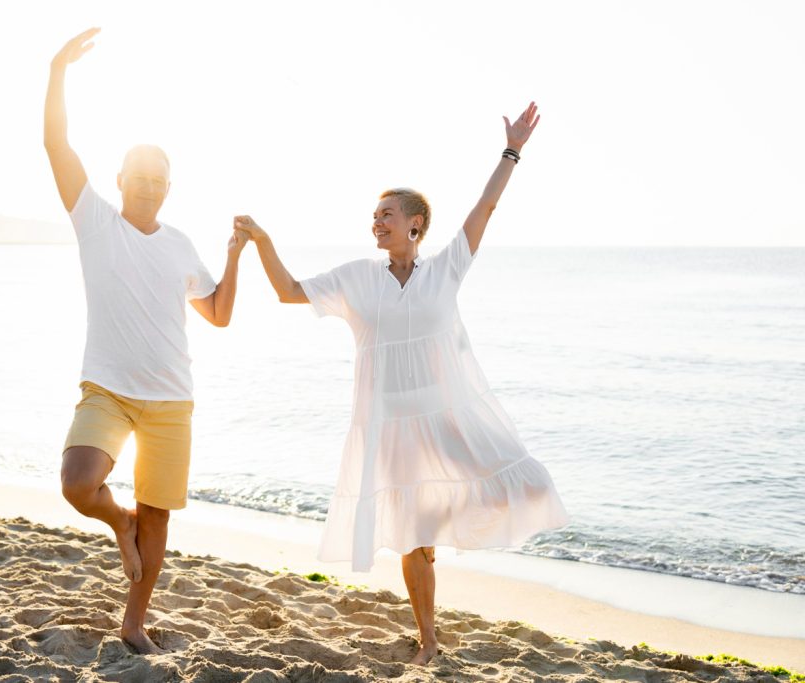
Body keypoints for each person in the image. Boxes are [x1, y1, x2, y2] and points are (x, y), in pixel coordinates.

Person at [234, 102, 568, 666]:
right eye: (375, 214)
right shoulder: (358, 279)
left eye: (387, 213)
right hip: (391, 428)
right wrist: (262, 241)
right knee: (417, 542)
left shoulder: (445, 270)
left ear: (415, 223)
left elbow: (485, 206)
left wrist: (512, 150)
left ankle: (457, 547)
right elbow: (289, 291)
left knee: (526, 483)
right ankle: (430, 639)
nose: (377, 221)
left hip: (449, 419)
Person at [43, 28, 248, 655]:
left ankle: (133, 622)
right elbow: (56, 144)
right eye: (141, 176)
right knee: (79, 485)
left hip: (169, 400)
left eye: (161, 179)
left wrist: (234, 254)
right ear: (121, 177)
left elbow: (217, 313)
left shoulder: (181, 243)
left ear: (169, 186)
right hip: (106, 388)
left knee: (159, 516)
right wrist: (58, 71)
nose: (151, 186)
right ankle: (118, 521)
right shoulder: (95, 220)